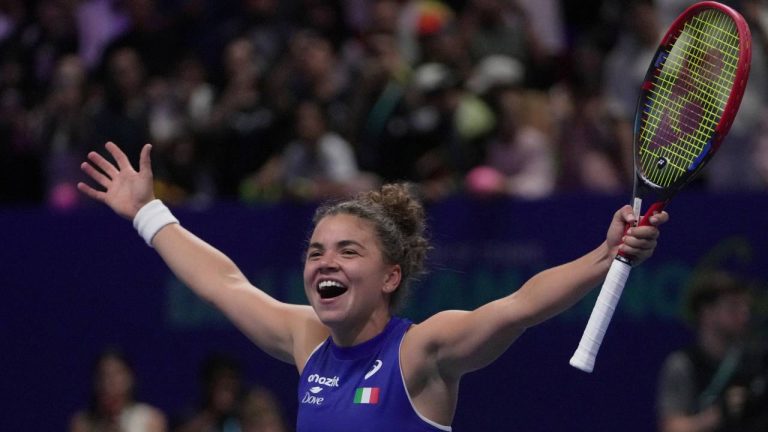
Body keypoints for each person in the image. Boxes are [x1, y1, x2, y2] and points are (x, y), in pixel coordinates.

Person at [77, 141, 668, 430]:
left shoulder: (421, 353)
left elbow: (518, 306)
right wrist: (147, 212)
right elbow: (224, 283)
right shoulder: (305, 340)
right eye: (315, 252)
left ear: (390, 276)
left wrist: (604, 253)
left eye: (347, 251)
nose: (324, 263)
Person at [656, 271, 768, 432]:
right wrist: (720, 413)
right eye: (733, 306)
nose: (744, 314)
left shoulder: (758, 362)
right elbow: (672, 428)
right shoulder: (682, 364)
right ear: (706, 312)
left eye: (746, 307)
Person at [70, 348, 168, 432]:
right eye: (104, 375)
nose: (109, 382)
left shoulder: (151, 420)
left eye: (117, 374)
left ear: (130, 378)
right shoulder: (82, 423)